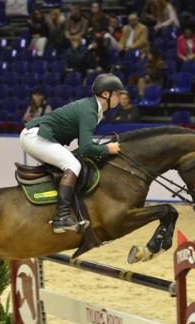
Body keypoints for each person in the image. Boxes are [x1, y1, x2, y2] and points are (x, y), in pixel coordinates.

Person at [19, 73, 124, 233]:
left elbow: (84, 145)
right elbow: (86, 148)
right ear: (105, 94)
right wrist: (107, 149)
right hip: (36, 137)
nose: (120, 97)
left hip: (36, 136)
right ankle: (61, 218)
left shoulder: (93, 109)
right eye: (117, 93)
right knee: (72, 165)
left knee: (67, 165)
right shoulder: (90, 111)